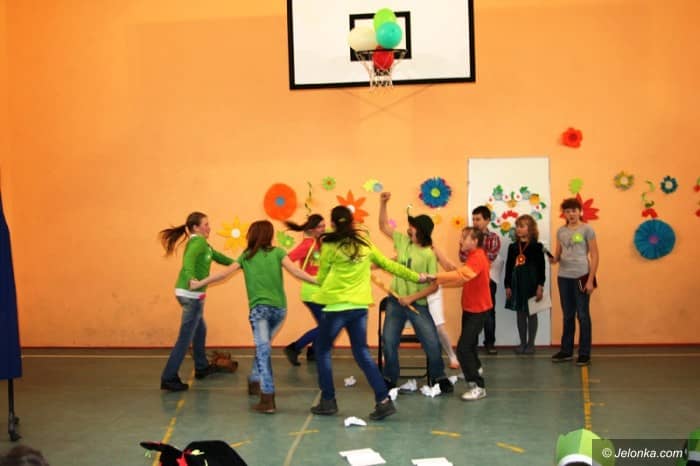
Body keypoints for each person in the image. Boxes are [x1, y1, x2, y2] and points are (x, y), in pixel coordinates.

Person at [309, 205, 427, 421]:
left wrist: (324, 280)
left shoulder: (330, 245)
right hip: (359, 308)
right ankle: (383, 401)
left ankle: (328, 400)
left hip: (336, 307)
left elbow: (322, 277)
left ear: (333, 223)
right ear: (352, 221)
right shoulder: (364, 243)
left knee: (322, 351)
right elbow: (388, 264)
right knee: (362, 352)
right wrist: (416, 276)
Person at [191, 220, 317, 414]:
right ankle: (254, 381)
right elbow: (296, 272)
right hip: (279, 311)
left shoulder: (247, 256)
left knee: (263, 350)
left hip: (260, 311)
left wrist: (199, 283)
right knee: (263, 348)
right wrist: (317, 281)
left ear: (252, 235)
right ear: (269, 235)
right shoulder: (278, 253)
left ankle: (267, 398)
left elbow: (223, 275)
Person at [378, 192, 455, 392]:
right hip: (395, 302)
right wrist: (383, 203)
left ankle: (439, 377)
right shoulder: (403, 241)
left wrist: (411, 298)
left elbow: (433, 286)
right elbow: (383, 226)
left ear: (420, 231)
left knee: (431, 341)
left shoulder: (429, 254)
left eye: (412, 226)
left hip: (418, 304)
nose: (409, 228)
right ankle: (389, 377)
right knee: (389, 340)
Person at [159, 212, 234, 392]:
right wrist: (191, 278)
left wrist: (241, 263)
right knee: (185, 338)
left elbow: (219, 257)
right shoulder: (197, 242)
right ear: (195, 227)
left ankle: (201, 367)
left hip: (193, 295)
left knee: (200, 330)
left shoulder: (204, 244)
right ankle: (168, 377)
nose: (209, 228)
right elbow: (188, 261)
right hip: (190, 294)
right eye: (206, 224)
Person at [431, 227, 492, 401]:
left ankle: (478, 386)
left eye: (464, 238)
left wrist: (435, 277)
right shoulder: (473, 256)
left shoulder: (478, 257)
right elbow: (460, 277)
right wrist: (439, 280)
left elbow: (462, 275)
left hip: (479, 310)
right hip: (471, 308)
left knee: (463, 348)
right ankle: (475, 369)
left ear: (475, 241)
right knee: (470, 345)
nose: (460, 241)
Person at [549, 198, 599, 367]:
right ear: (564, 213)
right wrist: (553, 259)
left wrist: (590, 280)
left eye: (574, 211)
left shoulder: (587, 230)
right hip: (564, 277)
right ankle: (566, 350)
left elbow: (595, 255)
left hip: (582, 276)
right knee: (568, 315)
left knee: (583, 315)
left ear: (580, 212)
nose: (571, 214)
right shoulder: (561, 231)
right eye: (567, 211)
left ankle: (584, 353)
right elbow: (558, 255)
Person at [282, 214, 326, 366]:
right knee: (327, 326)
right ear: (312, 229)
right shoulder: (308, 245)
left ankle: (313, 351)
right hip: (312, 292)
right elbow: (286, 260)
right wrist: (300, 273)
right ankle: (294, 348)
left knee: (325, 324)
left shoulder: (319, 243)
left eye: (324, 225)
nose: (323, 229)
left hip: (322, 292)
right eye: (320, 226)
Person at [504, 215, 546, 355]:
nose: (518, 229)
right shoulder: (512, 247)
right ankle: (522, 343)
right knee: (520, 314)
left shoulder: (537, 247)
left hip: (532, 283)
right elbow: (508, 267)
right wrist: (507, 285)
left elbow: (541, 268)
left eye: (522, 226)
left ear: (531, 228)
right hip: (517, 284)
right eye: (517, 226)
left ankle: (531, 344)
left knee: (532, 314)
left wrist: (540, 285)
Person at [471, 206, 503, 355]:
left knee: (489, 312)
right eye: (473, 219)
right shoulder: (468, 236)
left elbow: (491, 256)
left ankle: (490, 343)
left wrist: (475, 257)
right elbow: (463, 255)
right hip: (471, 278)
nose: (475, 222)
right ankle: (472, 342)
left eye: (478, 219)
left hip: (488, 279)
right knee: (472, 311)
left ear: (487, 220)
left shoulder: (493, 237)